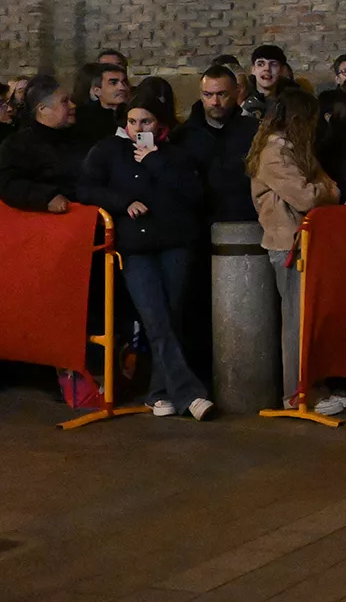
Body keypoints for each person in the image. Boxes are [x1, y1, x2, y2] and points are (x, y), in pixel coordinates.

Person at [78, 86, 212, 420]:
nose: (139, 128)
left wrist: (154, 162)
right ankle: (190, 394)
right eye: (133, 121)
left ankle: (158, 392)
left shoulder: (176, 155)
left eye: (146, 121)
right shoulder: (108, 151)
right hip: (135, 250)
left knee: (171, 318)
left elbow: (192, 193)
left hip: (174, 245)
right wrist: (123, 203)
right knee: (154, 317)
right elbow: (86, 188)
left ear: (160, 124)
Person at [247, 88, 346, 417]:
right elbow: (308, 195)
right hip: (287, 245)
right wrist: (328, 190)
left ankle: (311, 387)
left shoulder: (294, 149)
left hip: (303, 242)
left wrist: (325, 187)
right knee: (296, 321)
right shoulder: (275, 152)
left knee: (309, 319)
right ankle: (296, 393)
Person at [172, 65, 258, 224]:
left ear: (236, 93)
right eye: (208, 94)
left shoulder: (254, 131)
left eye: (222, 94)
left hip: (247, 218)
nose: (215, 102)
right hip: (199, 222)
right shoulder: (183, 136)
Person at [0, 75, 84, 212]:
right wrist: (46, 197)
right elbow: (9, 183)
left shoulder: (81, 137)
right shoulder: (17, 145)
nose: (73, 105)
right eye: (64, 101)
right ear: (43, 109)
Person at [75, 63, 130, 147]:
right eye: (113, 83)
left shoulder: (138, 112)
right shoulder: (82, 117)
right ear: (97, 91)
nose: (122, 87)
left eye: (124, 82)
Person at [242, 45, 293, 119]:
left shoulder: (291, 103)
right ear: (253, 69)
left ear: (282, 70)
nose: (267, 68)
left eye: (273, 64)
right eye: (260, 64)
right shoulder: (241, 100)